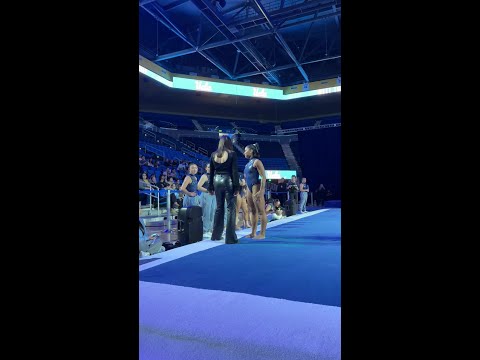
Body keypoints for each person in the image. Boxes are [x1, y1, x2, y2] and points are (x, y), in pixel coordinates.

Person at [208, 136, 240, 244]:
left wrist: (210, 187)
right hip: (228, 180)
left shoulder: (213, 154)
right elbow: (234, 172)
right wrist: (237, 187)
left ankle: (216, 235)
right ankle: (230, 238)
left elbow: (211, 172)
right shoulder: (232, 154)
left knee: (219, 208)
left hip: (216, 181)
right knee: (231, 208)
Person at [244, 143, 267, 239]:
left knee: (261, 211)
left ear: (251, 151)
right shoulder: (247, 164)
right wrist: (246, 191)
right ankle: (253, 233)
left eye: (246, 150)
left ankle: (262, 234)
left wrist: (262, 190)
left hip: (256, 186)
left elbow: (263, 176)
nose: (244, 152)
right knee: (253, 211)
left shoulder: (257, 162)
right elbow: (246, 179)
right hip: (249, 188)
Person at [197, 163, 215, 238]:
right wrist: (208, 191)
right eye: (208, 167)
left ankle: (210, 229)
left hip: (214, 196)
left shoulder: (214, 176)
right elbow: (198, 186)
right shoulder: (204, 176)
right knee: (206, 213)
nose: (210, 168)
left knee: (212, 213)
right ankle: (205, 230)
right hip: (206, 195)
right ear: (206, 168)